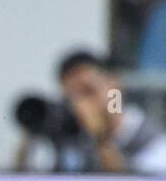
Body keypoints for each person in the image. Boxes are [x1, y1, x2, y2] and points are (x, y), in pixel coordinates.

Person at [15, 49, 166, 174]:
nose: (79, 105)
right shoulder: (71, 137)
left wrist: (101, 138)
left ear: (114, 86)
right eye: (70, 97)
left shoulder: (153, 140)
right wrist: (35, 129)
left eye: (88, 91)